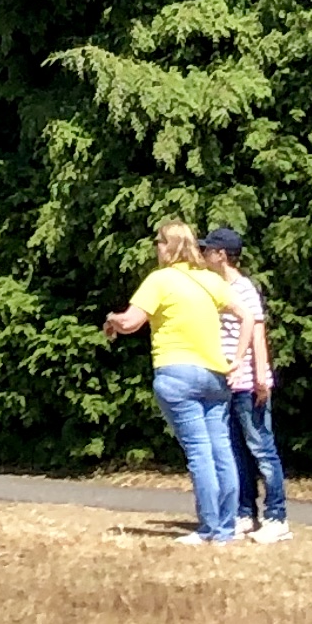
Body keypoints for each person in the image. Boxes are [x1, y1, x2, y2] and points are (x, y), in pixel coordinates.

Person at [105, 220, 241, 545]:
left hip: (177, 372)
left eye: (159, 241)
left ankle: (208, 529)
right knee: (221, 450)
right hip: (215, 375)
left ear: (170, 246)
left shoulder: (160, 280)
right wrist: (237, 357)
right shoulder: (210, 280)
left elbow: (131, 322)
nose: (156, 247)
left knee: (199, 453)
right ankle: (226, 529)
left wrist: (112, 320)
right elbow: (246, 315)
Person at [200, 224, 289, 540]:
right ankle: (244, 513)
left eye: (208, 250)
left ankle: (277, 517)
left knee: (262, 449)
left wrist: (262, 377)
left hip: (249, 383)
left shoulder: (244, 289)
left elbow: (257, 334)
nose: (203, 254)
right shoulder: (216, 288)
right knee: (236, 451)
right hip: (227, 384)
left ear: (221, 255)